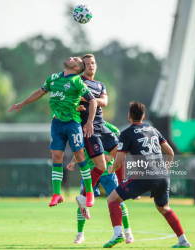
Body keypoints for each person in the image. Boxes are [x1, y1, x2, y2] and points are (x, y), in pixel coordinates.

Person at [8, 57, 97, 207]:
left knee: (80, 156)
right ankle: (57, 194)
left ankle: (89, 192)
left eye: (74, 59)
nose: (70, 57)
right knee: (56, 156)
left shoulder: (76, 81)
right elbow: (39, 92)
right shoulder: (53, 78)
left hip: (72, 123)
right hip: (56, 123)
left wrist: (89, 122)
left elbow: (93, 100)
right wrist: (23, 103)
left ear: (76, 68)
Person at [103, 101, 191, 248]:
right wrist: (166, 171)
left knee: (112, 198)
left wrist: (112, 168)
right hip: (162, 174)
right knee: (164, 208)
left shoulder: (126, 133)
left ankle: (118, 234)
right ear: (143, 116)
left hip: (146, 174)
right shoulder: (153, 130)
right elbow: (170, 152)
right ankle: (183, 240)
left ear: (129, 116)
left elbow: (119, 161)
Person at [67, 121, 134, 244]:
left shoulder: (107, 126)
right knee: (82, 201)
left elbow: (119, 143)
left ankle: (128, 232)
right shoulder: (81, 125)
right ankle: (80, 235)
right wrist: (73, 161)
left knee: (118, 200)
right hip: (89, 171)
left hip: (107, 171)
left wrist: (110, 156)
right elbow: (80, 148)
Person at [74, 54, 124, 214]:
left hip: (101, 124)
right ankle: (85, 196)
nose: (90, 65)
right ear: (83, 67)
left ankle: (124, 187)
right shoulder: (77, 81)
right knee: (100, 166)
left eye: (93, 63)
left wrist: (91, 99)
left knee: (121, 155)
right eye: (87, 63)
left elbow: (105, 102)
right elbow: (74, 99)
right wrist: (91, 100)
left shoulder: (100, 85)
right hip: (88, 127)